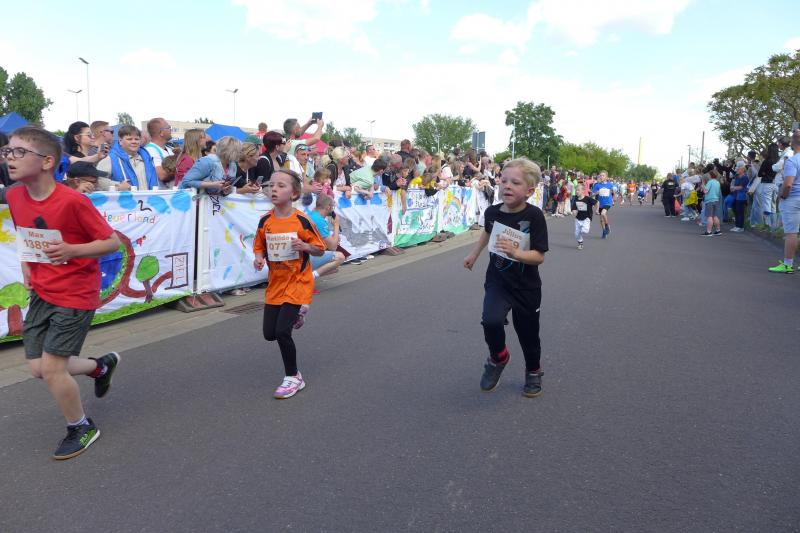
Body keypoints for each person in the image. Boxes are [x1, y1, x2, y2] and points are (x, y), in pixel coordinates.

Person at [2, 126, 122, 460]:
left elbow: (111, 242)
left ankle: (81, 427)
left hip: (76, 292)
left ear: (46, 161)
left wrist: (72, 250)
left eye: (19, 152)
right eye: (7, 151)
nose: (9, 158)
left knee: (53, 369)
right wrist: (26, 264)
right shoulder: (14, 195)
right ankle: (99, 367)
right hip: (42, 289)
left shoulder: (73, 201)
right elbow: (26, 233)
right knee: (38, 368)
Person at [463, 158, 548, 398]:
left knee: (528, 335)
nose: (507, 186)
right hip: (498, 281)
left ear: (529, 191)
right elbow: (487, 231)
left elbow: (539, 256)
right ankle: (498, 357)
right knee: (491, 321)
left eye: (516, 183)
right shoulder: (492, 212)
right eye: (504, 181)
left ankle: (533, 371)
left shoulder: (534, 216)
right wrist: (474, 254)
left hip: (526, 287)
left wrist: (516, 253)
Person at [252, 169, 325, 398]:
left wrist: (305, 246)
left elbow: (320, 248)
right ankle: (297, 315)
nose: (274, 189)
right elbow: (259, 245)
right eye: (271, 185)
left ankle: (293, 377)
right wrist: (259, 257)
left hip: (298, 282)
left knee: (282, 332)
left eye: (281, 186)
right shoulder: (265, 220)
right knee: (269, 334)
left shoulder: (301, 220)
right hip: (276, 283)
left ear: (293, 193)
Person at [768, 132, 800, 273]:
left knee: (791, 233)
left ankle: (788, 265)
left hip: (793, 199)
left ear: (792, 143)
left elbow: (788, 184)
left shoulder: (792, 161)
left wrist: (783, 196)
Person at [97, 125, 158, 190]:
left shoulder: (147, 158)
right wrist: (118, 186)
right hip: (125, 196)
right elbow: (100, 179)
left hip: (149, 196)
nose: (134, 142)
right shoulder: (111, 158)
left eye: (136, 139)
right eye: (129, 139)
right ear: (120, 141)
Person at [308, 194, 346, 281]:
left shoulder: (312, 214)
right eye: (332, 206)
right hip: (306, 257)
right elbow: (333, 247)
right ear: (328, 207)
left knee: (333, 269)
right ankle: (309, 277)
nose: (333, 209)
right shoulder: (319, 221)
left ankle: (308, 274)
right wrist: (336, 225)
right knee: (340, 257)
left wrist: (333, 238)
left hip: (305, 253)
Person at [144, 118, 174, 188]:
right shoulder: (150, 150)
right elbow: (162, 175)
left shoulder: (170, 149)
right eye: (168, 127)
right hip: (161, 194)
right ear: (161, 133)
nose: (171, 129)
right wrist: (181, 171)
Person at [571, 183, 597, 250]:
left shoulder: (587, 199)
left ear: (583, 191)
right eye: (576, 190)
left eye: (578, 190)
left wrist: (597, 210)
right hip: (578, 218)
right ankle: (580, 243)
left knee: (585, 231)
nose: (577, 191)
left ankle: (582, 232)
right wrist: (574, 212)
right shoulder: (576, 199)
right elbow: (574, 209)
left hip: (586, 218)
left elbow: (597, 202)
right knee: (576, 234)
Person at [591, 171, 614, 237]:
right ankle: (604, 231)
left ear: (606, 177)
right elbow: (592, 195)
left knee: (603, 213)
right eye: (600, 175)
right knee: (601, 219)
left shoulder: (610, 185)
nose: (601, 177)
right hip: (600, 203)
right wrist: (596, 193)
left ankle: (607, 226)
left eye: (603, 175)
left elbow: (613, 192)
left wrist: (614, 199)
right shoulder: (597, 185)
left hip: (608, 202)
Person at [701, 170, 722, 236]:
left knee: (709, 216)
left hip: (709, 200)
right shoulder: (717, 182)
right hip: (716, 200)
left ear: (710, 175)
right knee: (715, 216)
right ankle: (718, 230)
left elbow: (705, 191)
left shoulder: (710, 182)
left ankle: (709, 231)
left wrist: (703, 186)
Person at [730, 161, 749, 232]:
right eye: (737, 168)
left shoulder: (745, 177)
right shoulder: (736, 176)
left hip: (742, 196)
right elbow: (733, 183)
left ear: (743, 169)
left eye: (738, 168)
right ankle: (737, 225)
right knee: (735, 210)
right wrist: (732, 187)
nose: (737, 169)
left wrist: (734, 187)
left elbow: (742, 187)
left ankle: (740, 227)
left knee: (740, 211)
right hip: (735, 195)